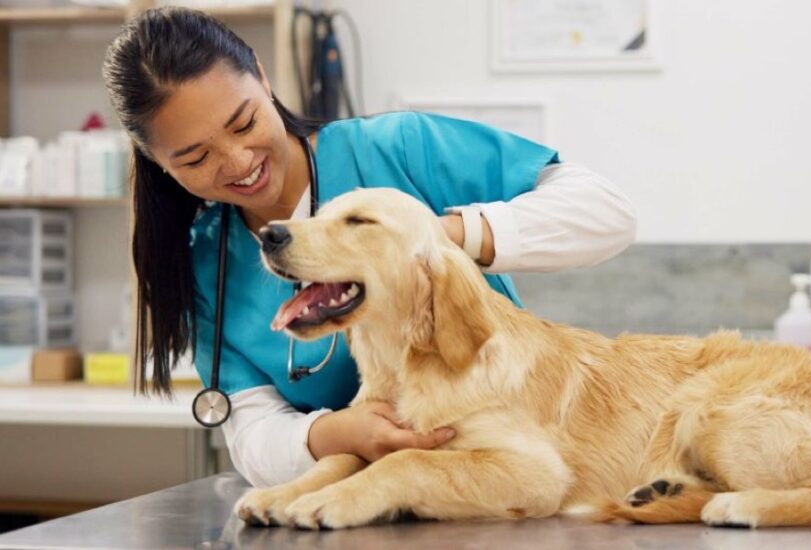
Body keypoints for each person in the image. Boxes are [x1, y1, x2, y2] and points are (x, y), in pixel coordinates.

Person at [103, 7, 636, 488]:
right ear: (158, 162)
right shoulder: (205, 265)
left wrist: (436, 239)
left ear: (263, 79)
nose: (239, 162)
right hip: (357, 502)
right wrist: (334, 435)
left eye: (244, 122)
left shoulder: (395, 151)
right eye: (196, 159)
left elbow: (607, 213)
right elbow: (250, 430)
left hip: (500, 478)